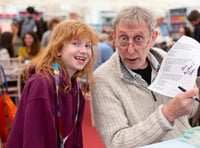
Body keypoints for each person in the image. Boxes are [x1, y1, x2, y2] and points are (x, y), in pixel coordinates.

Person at [91, 6, 199, 148]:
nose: (130, 50)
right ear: (114, 37)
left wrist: (190, 82)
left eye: (138, 39)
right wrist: (167, 114)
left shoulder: (168, 60)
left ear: (152, 37)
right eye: (123, 39)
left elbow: (191, 111)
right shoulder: (103, 79)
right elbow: (116, 142)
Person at [6, 20, 98, 148]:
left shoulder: (74, 86)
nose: (84, 51)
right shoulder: (42, 84)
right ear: (59, 49)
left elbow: (74, 137)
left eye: (88, 45)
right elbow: (35, 140)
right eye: (75, 44)